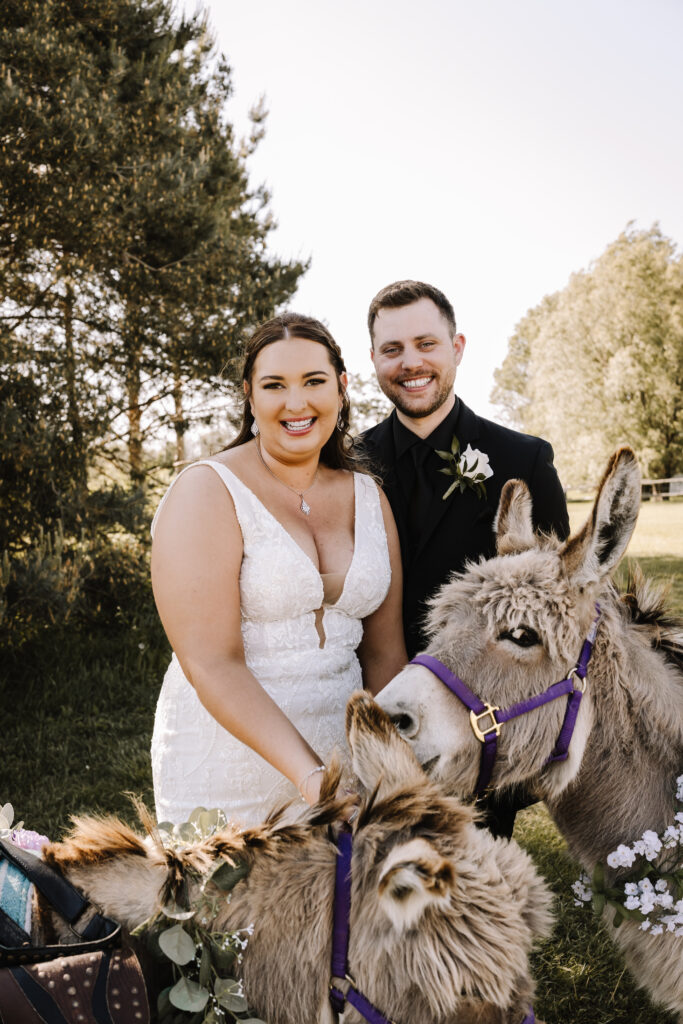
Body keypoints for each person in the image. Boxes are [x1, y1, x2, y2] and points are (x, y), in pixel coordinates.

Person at [150, 313, 407, 826]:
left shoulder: (369, 496)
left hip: (347, 766)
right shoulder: (207, 490)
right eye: (274, 385)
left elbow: (385, 656)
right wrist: (314, 779)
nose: (296, 403)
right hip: (228, 769)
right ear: (249, 395)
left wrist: (395, 769)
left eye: (313, 381)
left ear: (341, 387)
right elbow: (212, 663)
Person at [360, 280, 569, 836]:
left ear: (457, 348)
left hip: (481, 726)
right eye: (392, 349)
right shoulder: (347, 463)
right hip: (370, 709)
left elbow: (554, 605)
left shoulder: (524, 459)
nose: (411, 363)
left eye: (426, 344)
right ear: (374, 359)